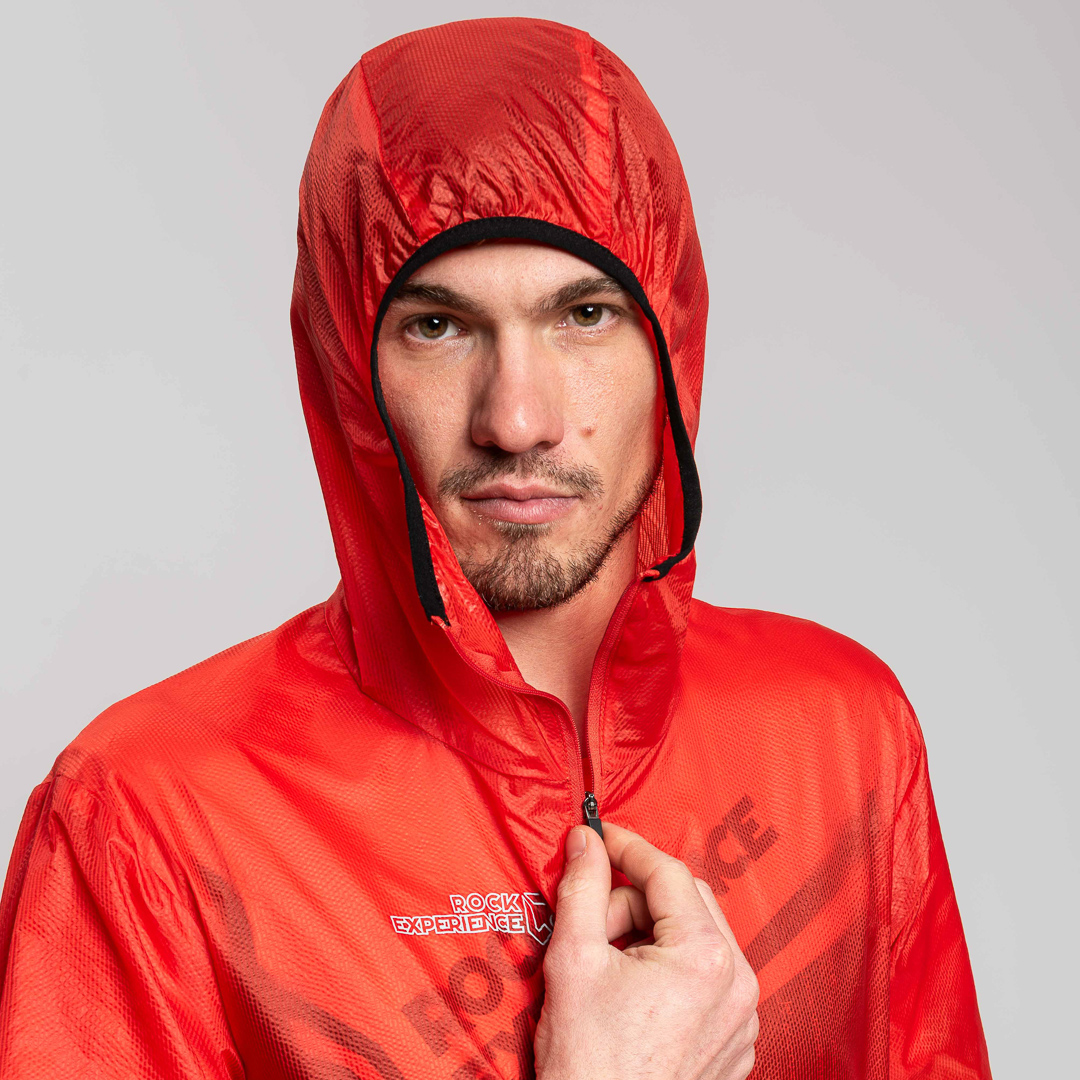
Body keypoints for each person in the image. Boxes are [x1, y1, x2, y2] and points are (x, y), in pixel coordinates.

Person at [0, 17, 991, 1080]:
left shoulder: (840, 734)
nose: (517, 420)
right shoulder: (149, 818)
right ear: (350, 372)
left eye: (585, 315)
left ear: (671, 340)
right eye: (438, 327)